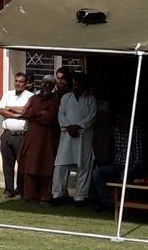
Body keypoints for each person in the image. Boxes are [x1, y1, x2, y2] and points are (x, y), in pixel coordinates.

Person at [52, 73, 97, 206]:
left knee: (83, 166)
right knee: (61, 166)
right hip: (67, 137)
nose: (75, 87)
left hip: (83, 137)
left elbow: (92, 117)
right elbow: (61, 115)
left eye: (78, 85)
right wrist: (69, 127)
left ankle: (80, 197)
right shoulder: (66, 97)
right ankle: (57, 194)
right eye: (74, 84)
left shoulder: (91, 99)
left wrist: (78, 127)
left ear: (84, 86)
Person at [19, 75, 61, 203]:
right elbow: (25, 113)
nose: (45, 85)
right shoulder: (33, 98)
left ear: (53, 85)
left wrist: (34, 114)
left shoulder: (55, 100)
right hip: (32, 136)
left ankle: (45, 195)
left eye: (48, 83)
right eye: (43, 82)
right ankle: (30, 195)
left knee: (46, 166)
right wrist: (39, 113)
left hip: (47, 138)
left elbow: (49, 118)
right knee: (30, 165)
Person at [91, 113, 145, 212]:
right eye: (118, 121)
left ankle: (119, 204)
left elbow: (138, 152)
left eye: (122, 121)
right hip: (117, 165)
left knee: (123, 175)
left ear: (128, 121)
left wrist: (134, 167)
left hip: (131, 165)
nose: (120, 123)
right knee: (96, 173)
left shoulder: (135, 131)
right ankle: (106, 203)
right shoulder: (116, 131)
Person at [0, 72, 33, 198]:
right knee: (7, 164)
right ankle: (8, 190)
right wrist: (17, 114)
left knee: (22, 164)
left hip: (21, 136)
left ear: (26, 83)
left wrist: (10, 108)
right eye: (16, 81)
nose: (18, 83)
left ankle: (21, 189)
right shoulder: (8, 94)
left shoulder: (30, 96)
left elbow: (27, 111)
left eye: (21, 81)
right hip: (7, 135)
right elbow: (0, 109)